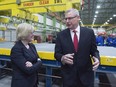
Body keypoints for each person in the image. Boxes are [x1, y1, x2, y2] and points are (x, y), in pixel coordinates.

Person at [54, 8, 100, 87]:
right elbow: (57, 53)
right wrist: (62, 58)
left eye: (70, 18)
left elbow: (94, 50)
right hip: (68, 77)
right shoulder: (61, 35)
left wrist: (97, 58)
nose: (67, 21)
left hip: (86, 76)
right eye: (66, 19)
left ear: (78, 18)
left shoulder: (89, 33)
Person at [10, 23, 42, 87]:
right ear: (24, 34)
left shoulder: (32, 46)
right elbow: (28, 70)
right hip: (22, 83)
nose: (33, 35)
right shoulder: (16, 49)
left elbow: (39, 60)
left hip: (34, 82)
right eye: (31, 33)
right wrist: (38, 62)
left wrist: (37, 63)